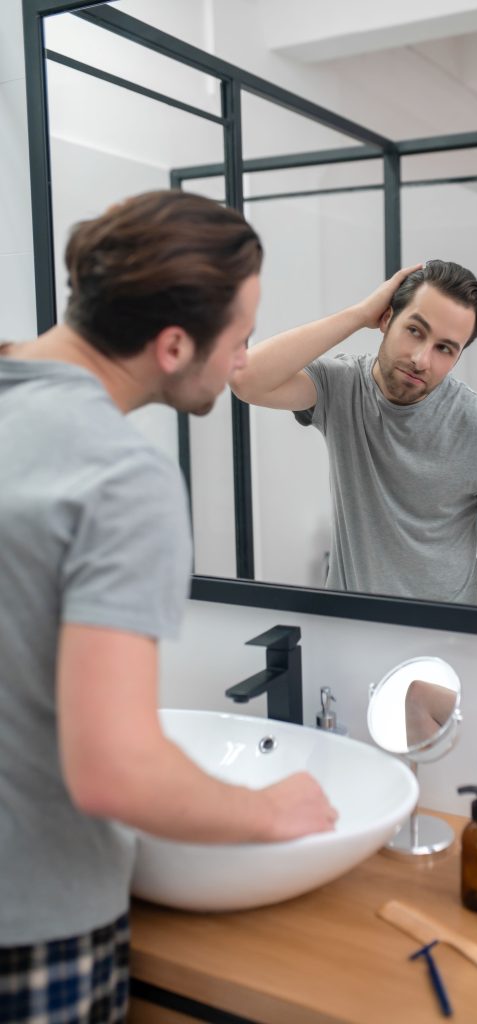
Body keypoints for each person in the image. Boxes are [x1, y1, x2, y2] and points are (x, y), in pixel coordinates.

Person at [0, 190, 337, 1023]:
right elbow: (117, 769)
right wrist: (269, 806)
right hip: (32, 935)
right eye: (242, 335)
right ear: (174, 343)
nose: (243, 360)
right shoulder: (121, 476)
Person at [230, 259, 477, 608]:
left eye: (444, 348)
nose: (421, 359)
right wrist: (359, 313)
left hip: (445, 638)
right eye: (415, 330)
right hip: (349, 628)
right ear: (386, 319)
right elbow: (246, 380)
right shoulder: (342, 387)